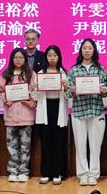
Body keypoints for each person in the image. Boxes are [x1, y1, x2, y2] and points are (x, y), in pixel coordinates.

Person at [66, 38, 107, 186]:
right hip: (79, 112)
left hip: (96, 110)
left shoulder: (100, 69)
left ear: (94, 50)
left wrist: (104, 90)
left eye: (90, 48)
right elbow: (67, 93)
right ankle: (83, 174)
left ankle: (93, 174)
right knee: (80, 146)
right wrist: (72, 90)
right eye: (84, 48)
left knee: (96, 146)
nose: (87, 50)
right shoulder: (74, 69)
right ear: (81, 50)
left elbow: (106, 91)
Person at [0, 48, 37, 183]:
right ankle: (13, 171)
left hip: (26, 116)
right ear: (12, 59)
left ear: (25, 59)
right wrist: (5, 99)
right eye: (15, 58)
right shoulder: (6, 74)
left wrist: (31, 101)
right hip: (10, 116)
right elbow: (0, 92)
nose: (18, 60)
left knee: (25, 146)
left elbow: (36, 92)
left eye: (21, 58)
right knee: (12, 146)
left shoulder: (31, 74)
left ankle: (24, 172)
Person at [35, 45, 68, 185]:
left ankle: (57, 173)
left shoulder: (63, 73)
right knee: (46, 142)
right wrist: (34, 88)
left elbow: (68, 95)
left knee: (58, 143)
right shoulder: (40, 73)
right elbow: (35, 96)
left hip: (58, 109)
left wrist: (66, 87)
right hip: (45, 109)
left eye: (55, 55)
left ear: (59, 57)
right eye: (49, 55)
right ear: (46, 57)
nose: (52, 58)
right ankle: (46, 173)